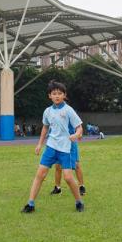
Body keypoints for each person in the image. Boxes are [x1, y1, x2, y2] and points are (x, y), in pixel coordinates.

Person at [21, 80, 85, 213]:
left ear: (64, 95)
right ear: (49, 95)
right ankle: (30, 204)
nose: (57, 96)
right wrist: (39, 144)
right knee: (40, 174)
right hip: (51, 147)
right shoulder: (47, 111)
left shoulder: (68, 110)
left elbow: (79, 127)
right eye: (54, 93)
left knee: (67, 177)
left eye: (59, 93)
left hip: (65, 148)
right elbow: (45, 127)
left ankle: (79, 201)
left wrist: (77, 134)